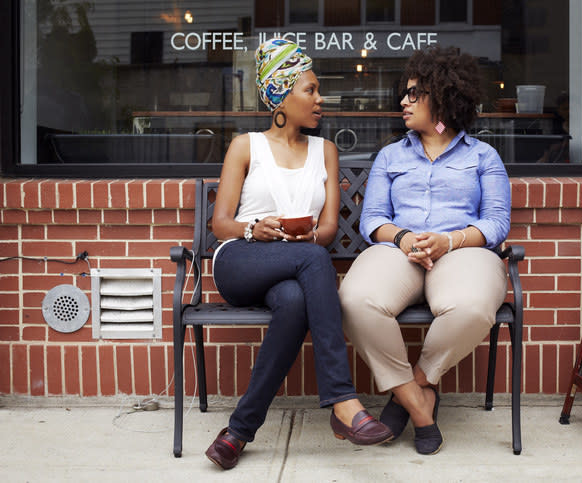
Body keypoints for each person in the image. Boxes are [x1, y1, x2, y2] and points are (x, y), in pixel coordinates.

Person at [205, 38, 393, 471]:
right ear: (281, 97)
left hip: (294, 266)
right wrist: (256, 227)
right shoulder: (245, 146)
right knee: (312, 261)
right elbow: (221, 225)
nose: (320, 99)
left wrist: (303, 234)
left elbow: (326, 230)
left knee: (293, 302)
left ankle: (237, 432)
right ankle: (342, 401)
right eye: (310, 90)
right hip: (241, 259)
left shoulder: (324, 151)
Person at [338, 46, 511, 455]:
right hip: (400, 249)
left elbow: (496, 223)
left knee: (471, 307)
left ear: (442, 96)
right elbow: (372, 218)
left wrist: (450, 240)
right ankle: (419, 404)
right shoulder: (391, 155)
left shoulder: (483, 156)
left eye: (413, 93)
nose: (403, 101)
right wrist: (403, 239)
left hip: (463, 250)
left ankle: (416, 383)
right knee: (355, 299)